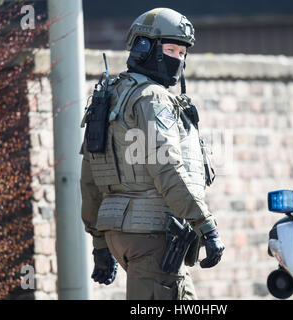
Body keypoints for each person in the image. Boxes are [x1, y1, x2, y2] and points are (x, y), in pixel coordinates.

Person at [80, 8, 225, 300]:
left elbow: (90, 178)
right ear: (143, 48)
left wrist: (100, 244)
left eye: (182, 52)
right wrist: (206, 226)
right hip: (153, 235)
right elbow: (167, 166)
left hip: (121, 235)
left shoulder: (109, 95)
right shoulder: (153, 98)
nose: (178, 58)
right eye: (170, 49)